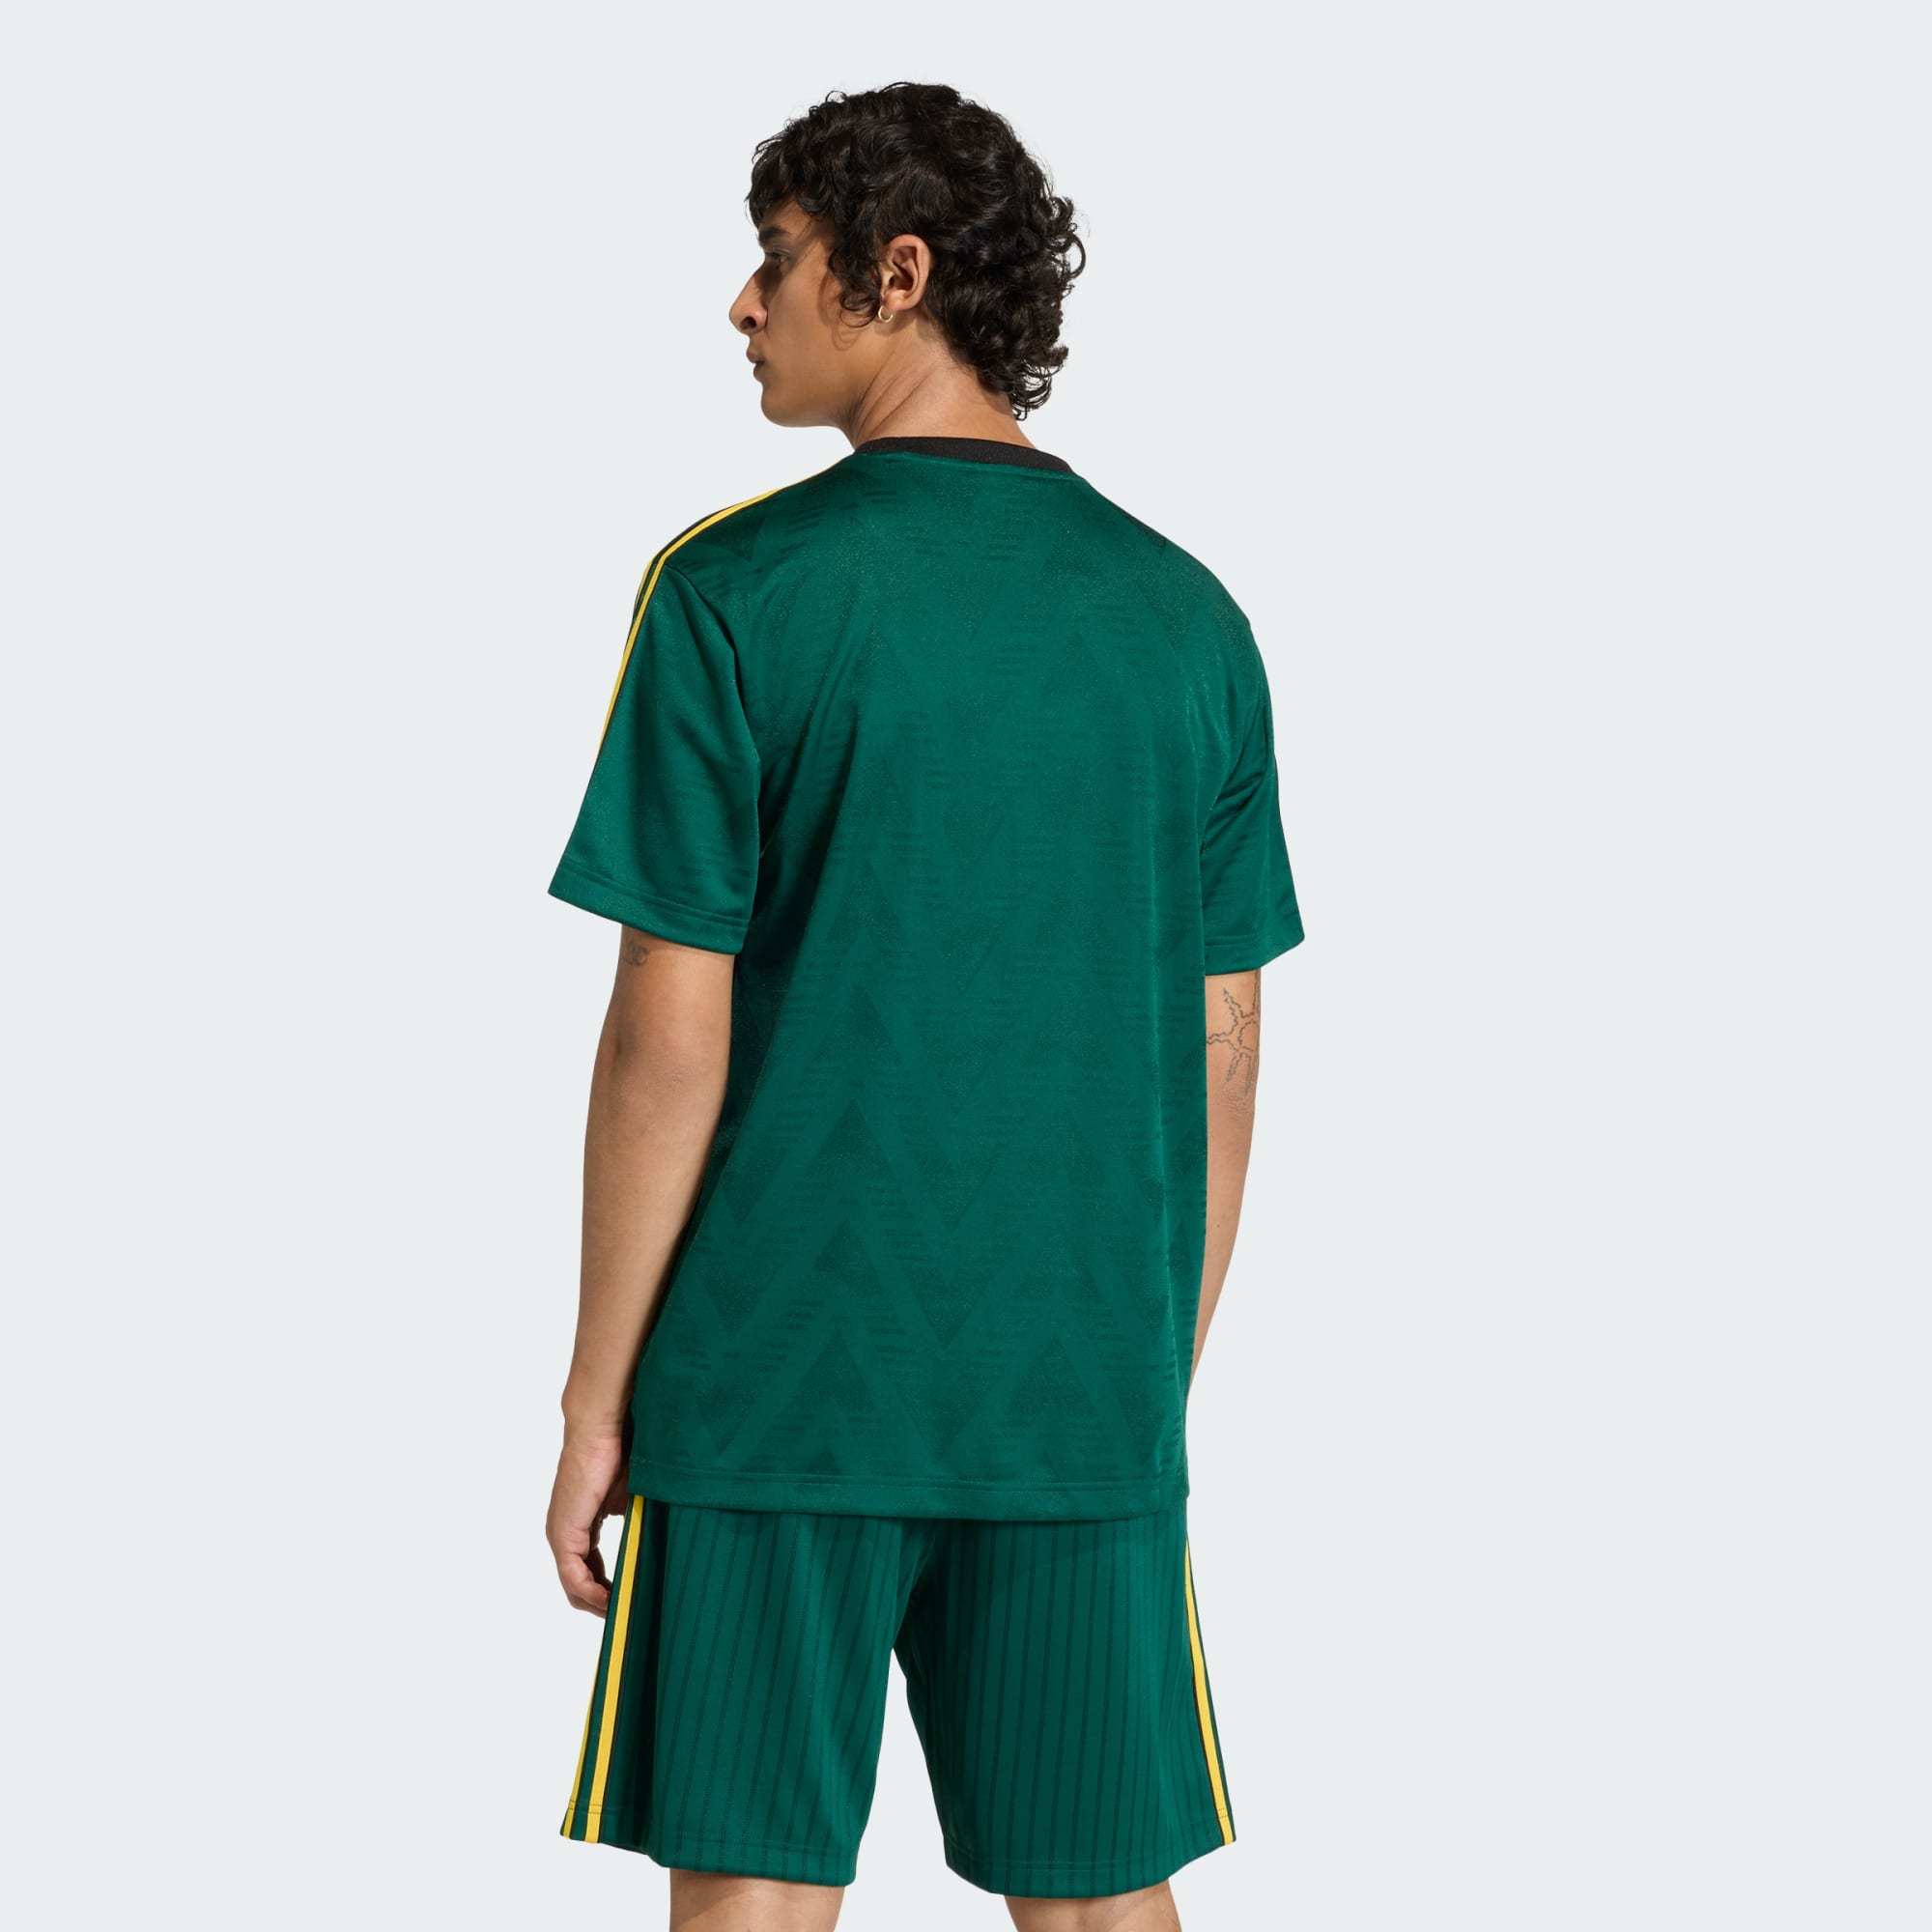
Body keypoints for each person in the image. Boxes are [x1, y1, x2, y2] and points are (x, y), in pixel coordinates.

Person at [544, 80, 1304, 1932]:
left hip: (776, 1388)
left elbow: (666, 1030)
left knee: (750, 1895)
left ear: (895, 275)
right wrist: (1142, 1380)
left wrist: (593, 1401)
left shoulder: (734, 594)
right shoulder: (1189, 621)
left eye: (776, 259)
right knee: (1104, 1900)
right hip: (1077, 1393)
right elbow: (1224, 1046)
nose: (743, 305)